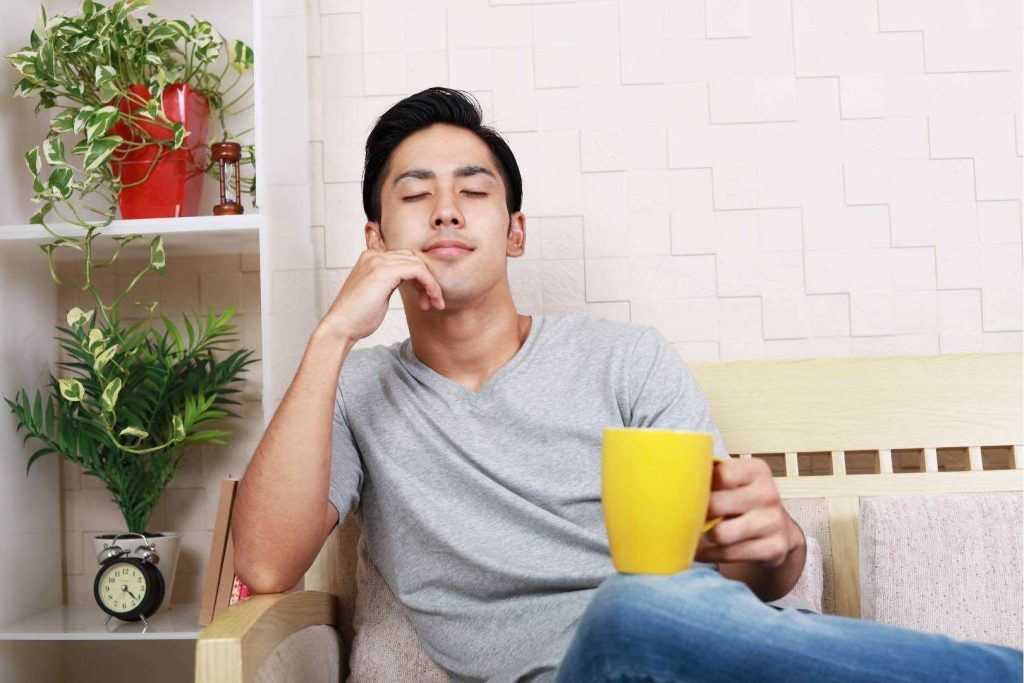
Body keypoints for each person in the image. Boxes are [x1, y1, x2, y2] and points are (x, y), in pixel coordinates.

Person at [231, 87, 1023, 683]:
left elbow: (723, 575)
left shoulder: (625, 360)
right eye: (414, 195)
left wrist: (778, 550)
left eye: (473, 191)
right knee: (623, 611)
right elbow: (266, 566)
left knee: (640, 606)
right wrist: (332, 333)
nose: (445, 211)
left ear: (514, 231)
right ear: (376, 239)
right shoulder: (353, 387)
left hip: (692, 661)